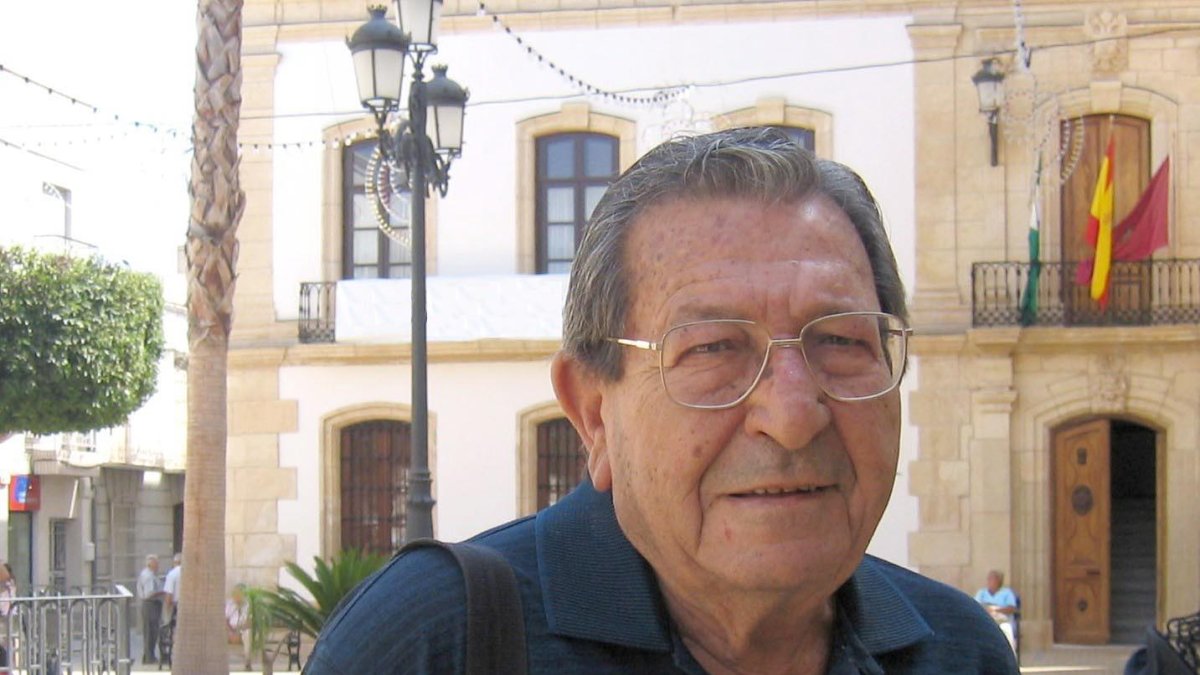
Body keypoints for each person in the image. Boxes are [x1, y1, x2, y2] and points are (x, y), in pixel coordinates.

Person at [305, 127, 1018, 673]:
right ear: (592, 411)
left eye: (841, 341)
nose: (794, 413)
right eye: (711, 348)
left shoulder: (960, 652)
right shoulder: (437, 642)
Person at [975, 570, 1019, 652]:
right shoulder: (982, 593)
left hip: (1003, 621)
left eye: (992, 579)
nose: (989, 581)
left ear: (998, 581)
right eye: (988, 579)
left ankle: (1010, 656)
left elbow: (1012, 608)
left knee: (1006, 631)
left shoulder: (1007, 593)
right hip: (985, 620)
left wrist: (996, 609)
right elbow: (976, 606)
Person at [136, 554, 163, 664]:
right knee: (150, 632)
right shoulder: (148, 576)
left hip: (150, 604)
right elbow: (149, 593)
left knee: (151, 631)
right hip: (150, 604)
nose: (158, 566)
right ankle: (149, 657)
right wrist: (162, 592)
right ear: (151, 564)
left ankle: (148, 655)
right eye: (156, 563)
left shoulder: (149, 574)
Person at [225, 584, 252, 671]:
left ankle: (247, 662)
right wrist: (231, 631)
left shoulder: (248, 605)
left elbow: (250, 622)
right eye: (235, 594)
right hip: (230, 629)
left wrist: (239, 630)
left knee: (248, 634)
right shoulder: (229, 604)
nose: (237, 596)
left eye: (239, 594)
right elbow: (225, 620)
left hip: (243, 628)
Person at [0, 562, 16, 668]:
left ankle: (10, 665)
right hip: (6, 614)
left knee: (7, 641)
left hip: (6, 615)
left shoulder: (9, 584)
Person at [162, 552, 182, 627]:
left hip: (175, 606)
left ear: (175, 562)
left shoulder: (172, 574)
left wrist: (167, 610)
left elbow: (169, 594)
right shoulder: (190, 573)